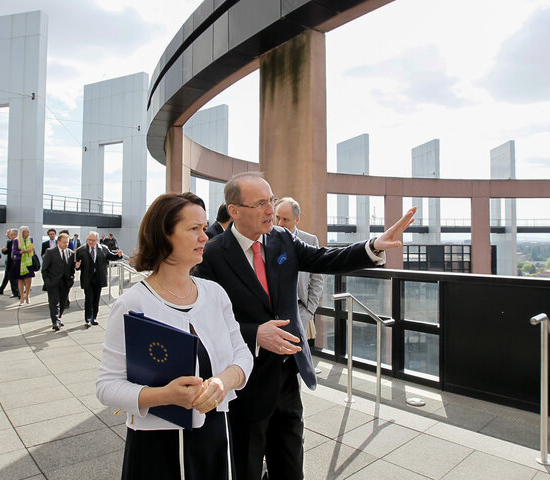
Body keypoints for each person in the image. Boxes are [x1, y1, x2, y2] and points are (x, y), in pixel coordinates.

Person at [196, 172, 416, 480]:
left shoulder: (282, 239)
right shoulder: (212, 256)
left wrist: (373, 245)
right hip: (246, 384)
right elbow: (204, 322)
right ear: (234, 210)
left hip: (287, 378)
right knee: (246, 468)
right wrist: (254, 333)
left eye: (270, 200)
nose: (271, 210)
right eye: (260, 203)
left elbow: (325, 258)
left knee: (290, 468)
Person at [96, 192, 253, 479]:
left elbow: (243, 354)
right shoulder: (133, 304)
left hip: (215, 435)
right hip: (158, 447)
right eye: (193, 229)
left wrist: (222, 381)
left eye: (204, 228)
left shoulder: (214, 294)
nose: (204, 237)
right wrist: (164, 395)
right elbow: (107, 387)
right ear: (163, 235)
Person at [275, 197, 324, 367]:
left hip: (300, 309)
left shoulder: (309, 241)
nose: (280, 223)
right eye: (277, 218)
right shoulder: (267, 239)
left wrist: (310, 310)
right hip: (274, 311)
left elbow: (317, 279)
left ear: (297, 219)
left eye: (285, 219)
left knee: (297, 360)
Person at [75, 231, 123, 327]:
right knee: (89, 298)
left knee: (96, 299)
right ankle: (88, 318)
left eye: (93, 240)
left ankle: (94, 317)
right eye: (88, 240)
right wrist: (77, 266)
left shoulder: (103, 249)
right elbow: (77, 264)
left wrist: (119, 255)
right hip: (87, 278)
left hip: (99, 278)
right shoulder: (81, 250)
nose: (90, 242)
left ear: (97, 240)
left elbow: (111, 257)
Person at [41, 232, 75, 331]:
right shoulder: (50, 252)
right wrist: (47, 281)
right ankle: (55, 321)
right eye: (64, 242)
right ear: (58, 242)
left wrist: (72, 278)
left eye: (67, 242)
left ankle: (58, 318)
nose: (66, 244)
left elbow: (71, 268)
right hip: (53, 282)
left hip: (65, 283)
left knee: (63, 302)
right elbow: (44, 269)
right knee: (54, 302)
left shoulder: (71, 253)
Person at [12, 226, 36, 304]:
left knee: (29, 279)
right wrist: (24, 251)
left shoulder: (30, 239)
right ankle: (21, 296)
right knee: (20, 280)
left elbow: (32, 249)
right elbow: (15, 252)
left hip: (28, 261)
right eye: (26, 231)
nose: (27, 233)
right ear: (22, 233)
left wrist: (32, 250)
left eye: (28, 231)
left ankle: (27, 295)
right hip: (20, 261)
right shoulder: (16, 241)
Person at [0, 229, 20, 298]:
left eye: (12, 234)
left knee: (13, 279)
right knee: (7, 277)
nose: (10, 236)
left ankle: (16, 292)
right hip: (9, 262)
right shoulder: (9, 242)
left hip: (15, 262)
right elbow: (7, 252)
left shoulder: (19, 242)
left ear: (16, 235)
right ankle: (1, 290)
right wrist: (4, 250)